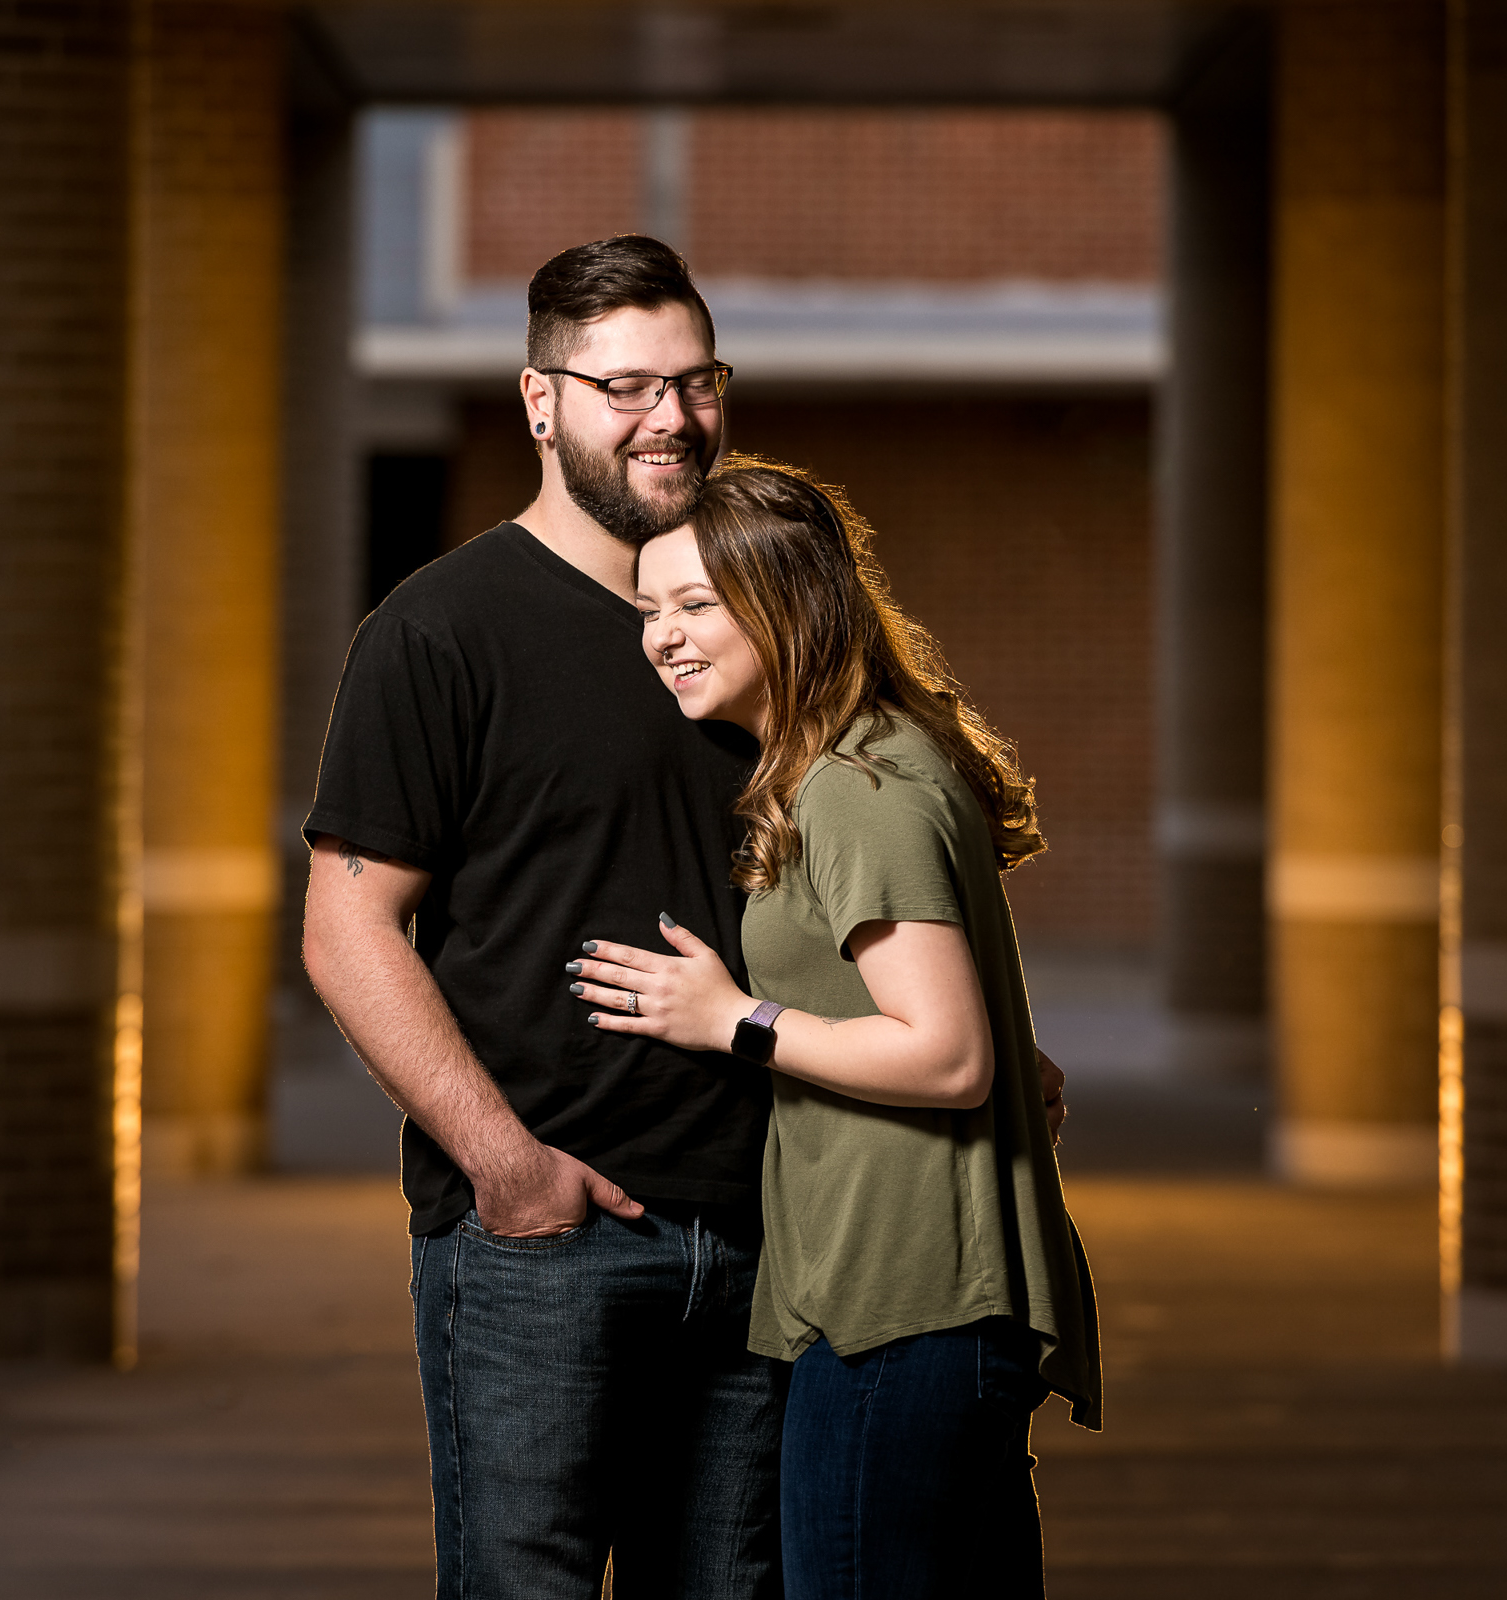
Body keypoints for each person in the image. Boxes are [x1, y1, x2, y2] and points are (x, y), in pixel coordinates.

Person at [300, 236, 784, 1598]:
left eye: (696, 383)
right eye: (625, 386)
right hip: (540, 1251)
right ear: (540, 402)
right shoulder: (441, 631)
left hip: (767, 1236)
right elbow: (347, 931)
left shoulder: (760, 620)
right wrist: (505, 1168)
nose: (671, 419)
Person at [568, 460, 1103, 1600]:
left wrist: (732, 1019)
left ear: (786, 601)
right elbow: (972, 1031)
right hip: (915, 1300)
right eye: (650, 608)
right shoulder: (853, 766)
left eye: (696, 605)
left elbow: (948, 1056)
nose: (662, 636)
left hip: (905, 1307)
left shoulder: (857, 788)